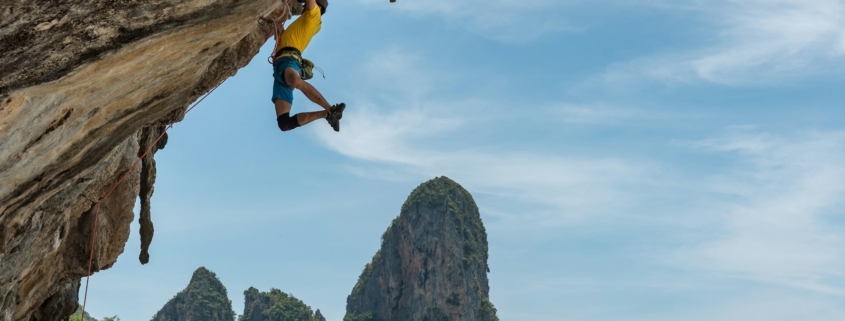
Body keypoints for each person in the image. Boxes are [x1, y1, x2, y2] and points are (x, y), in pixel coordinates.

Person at [271, 0, 345, 132]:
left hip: (289, 59)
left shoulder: (314, 15)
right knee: (284, 123)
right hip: (280, 67)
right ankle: (327, 114)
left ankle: (331, 109)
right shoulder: (306, 21)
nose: (303, 6)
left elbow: (311, 4)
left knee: (295, 81)